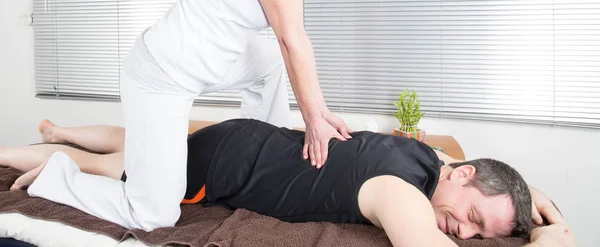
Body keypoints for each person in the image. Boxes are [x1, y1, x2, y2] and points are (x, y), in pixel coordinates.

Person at [24, 0, 379, 230]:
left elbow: (297, 36)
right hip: (162, 74)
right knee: (155, 215)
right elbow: (291, 40)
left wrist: (319, 113)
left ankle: (262, 149)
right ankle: (57, 176)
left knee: (271, 61)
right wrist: (312, 120)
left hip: (207, 64)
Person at [3, 118, 575, 247]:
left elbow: (481, 184)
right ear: (466, 174)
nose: (464, 234)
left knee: (146, 140)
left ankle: (61, 132)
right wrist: (559, 239)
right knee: (121, 168)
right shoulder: (402, 195)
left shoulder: (430, 157)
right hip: (222, 169)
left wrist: (530, 198)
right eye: (473, 219)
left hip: (248, 137)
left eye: (480, 236)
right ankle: (33, 154)